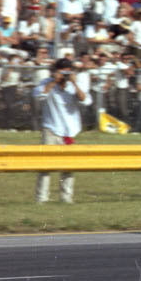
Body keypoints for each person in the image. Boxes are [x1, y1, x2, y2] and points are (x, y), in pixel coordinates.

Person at [33, 57, 92, 203]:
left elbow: (85, 99)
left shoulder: (75, 85)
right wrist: (54, 81)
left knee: (68, 166)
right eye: (62, 71)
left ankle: (66, 198)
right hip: (51, 129)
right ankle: (41, 198)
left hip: (69, 132)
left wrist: (73, 82)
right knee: (45, 166)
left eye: (67, 71)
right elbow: (39, 95)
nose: (64, 74)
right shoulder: (47, 83)